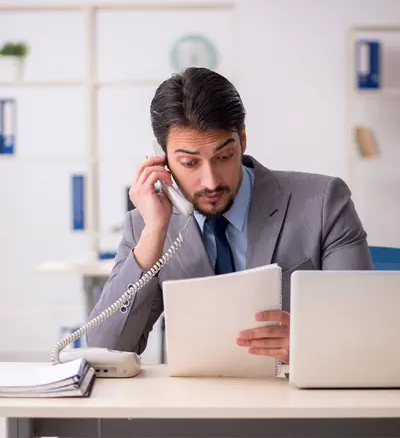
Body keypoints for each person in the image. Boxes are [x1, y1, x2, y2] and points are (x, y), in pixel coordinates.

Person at [87, 67, 373, 364]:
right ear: (161, 159)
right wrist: (152, 237)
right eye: (189, 162)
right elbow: (106, 349)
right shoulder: (145, 226)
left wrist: (313, 342)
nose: (210, 181)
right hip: (196, 406)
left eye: (224, 157)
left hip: (297, 403)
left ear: (243, 140)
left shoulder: (324, 203)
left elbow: (368, 329)